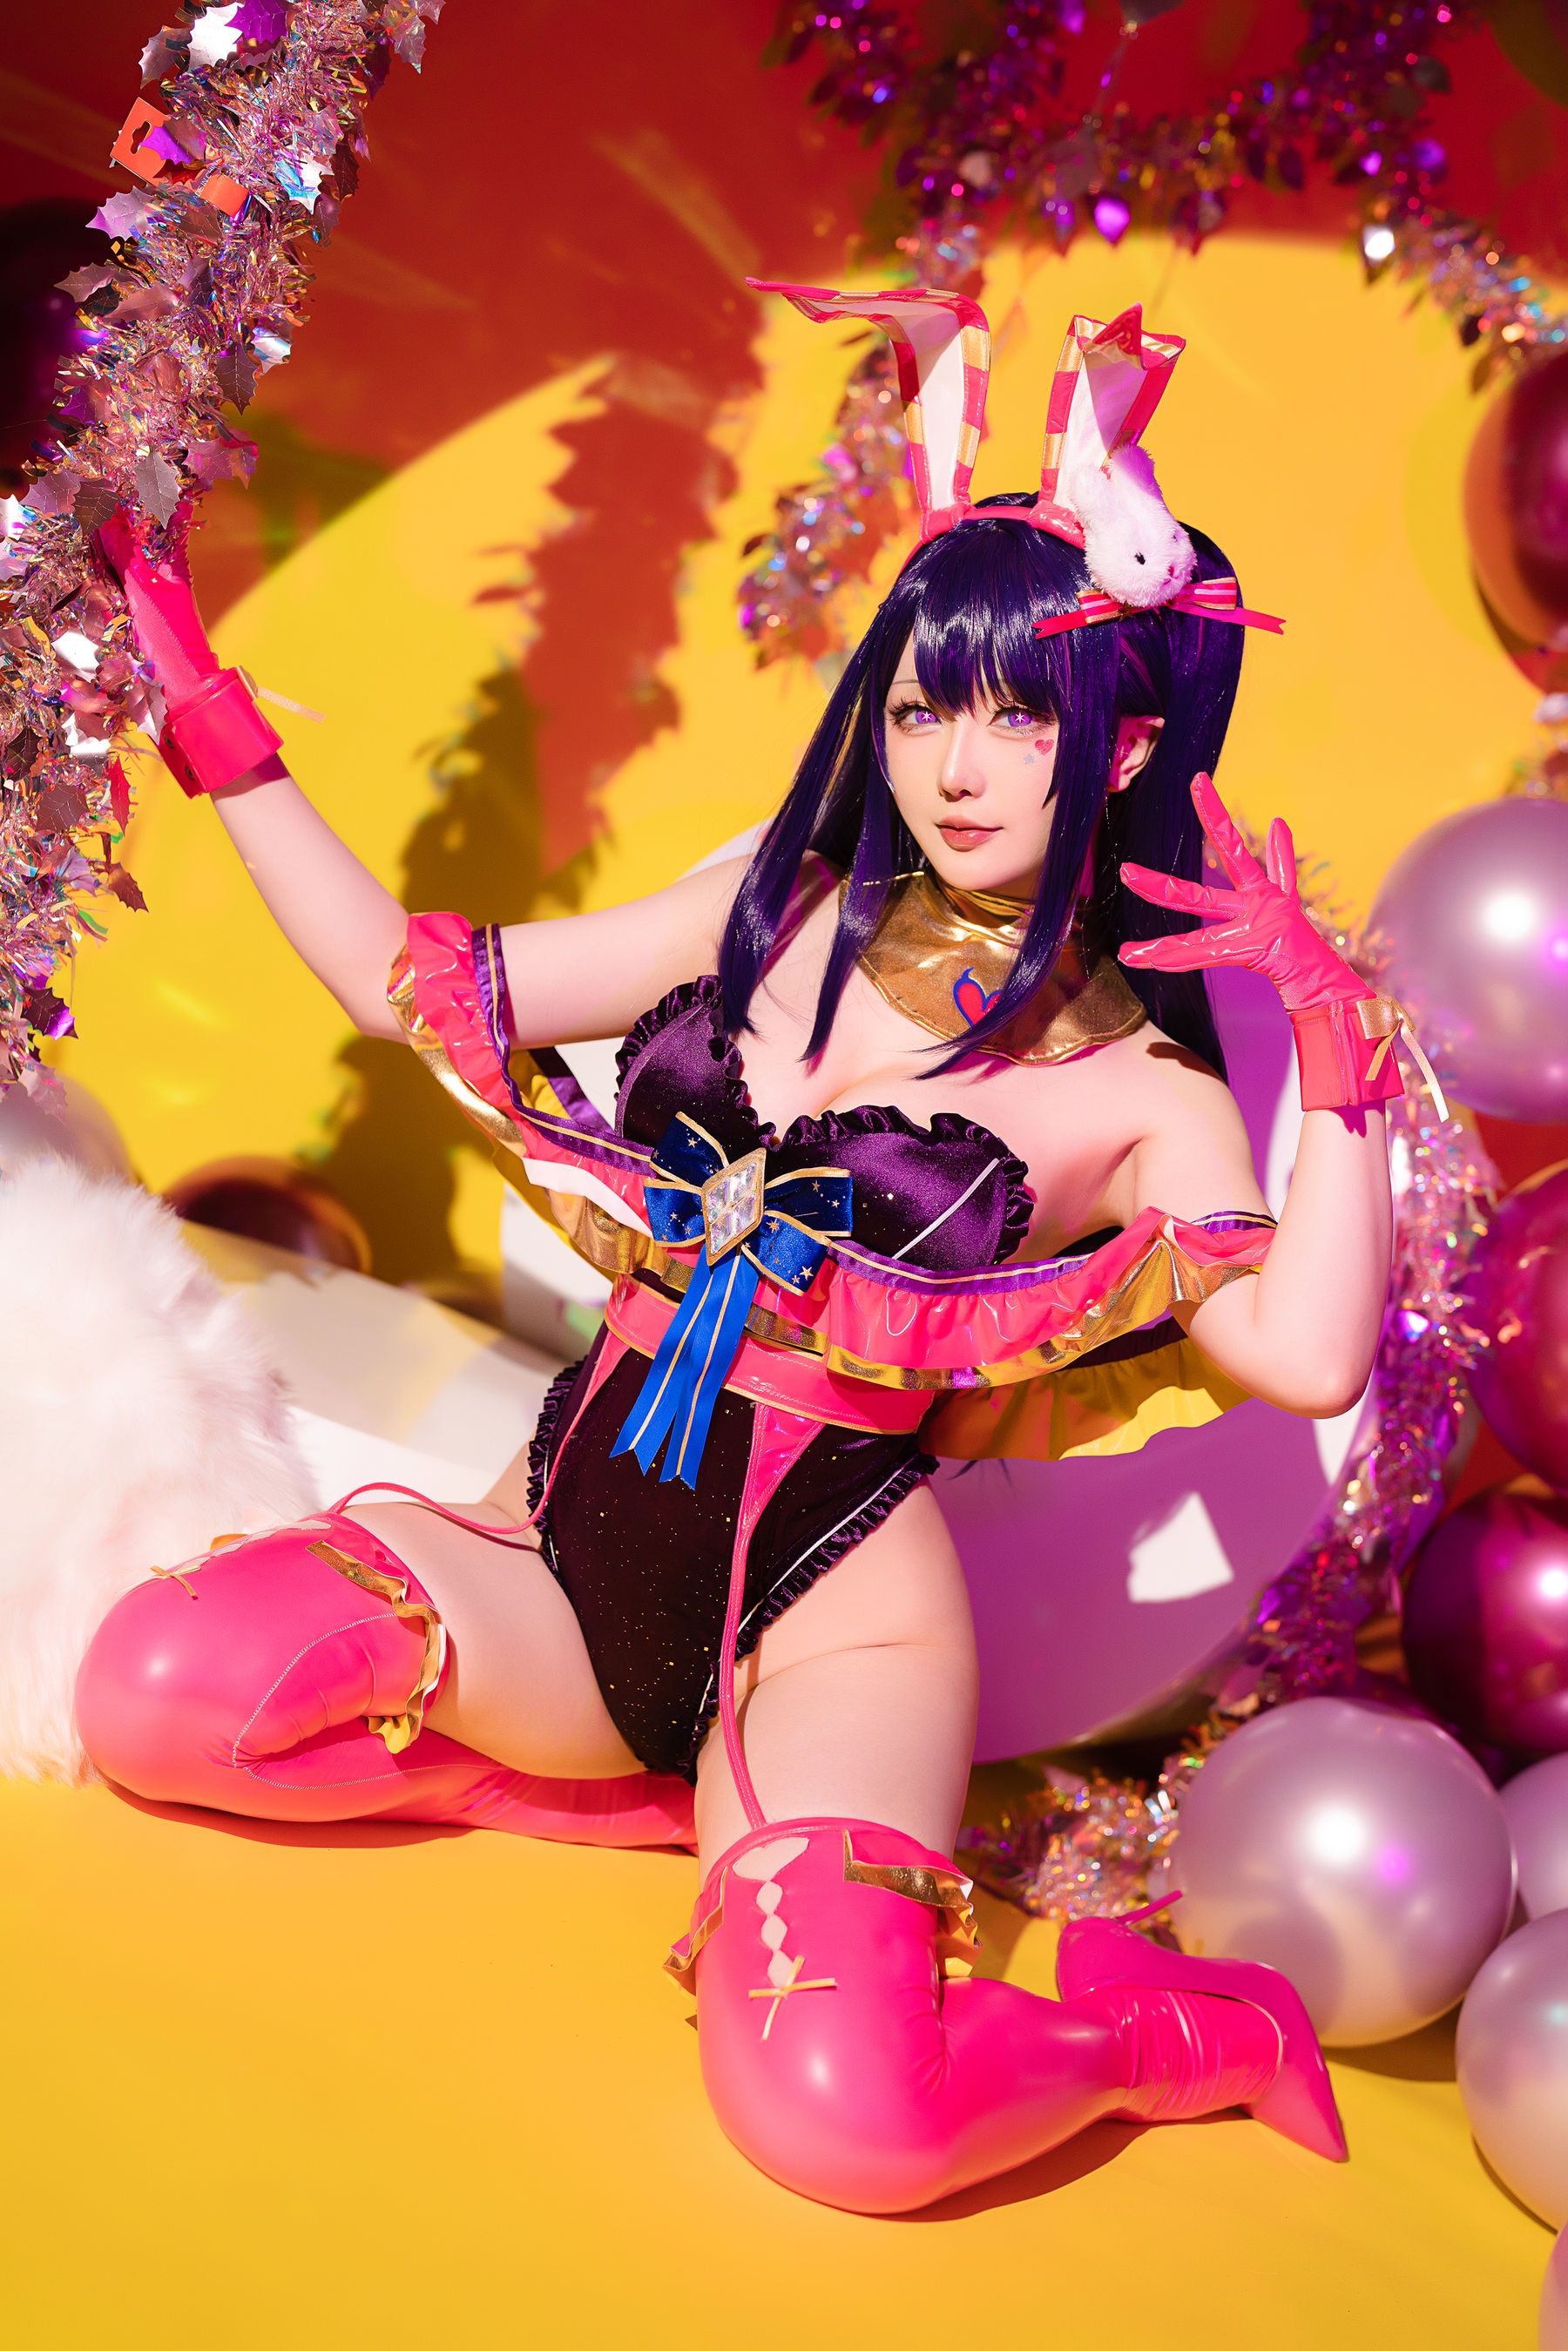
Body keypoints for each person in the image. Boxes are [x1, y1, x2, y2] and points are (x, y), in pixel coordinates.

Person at [75, 292, 1401, 2214]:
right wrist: (211, 718)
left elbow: (1310, 1356)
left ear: (1119, 750)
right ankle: (635, 1789)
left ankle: (1164, 2033)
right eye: (927, 704)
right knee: (152, 1690)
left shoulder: (1146, 1087)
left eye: (1019, 715)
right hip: (567, 1551)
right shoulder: (767, 916)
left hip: (832, 1621)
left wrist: (1343, 1069)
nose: (957, 765)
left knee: (849, 2129)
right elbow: (409, 986)